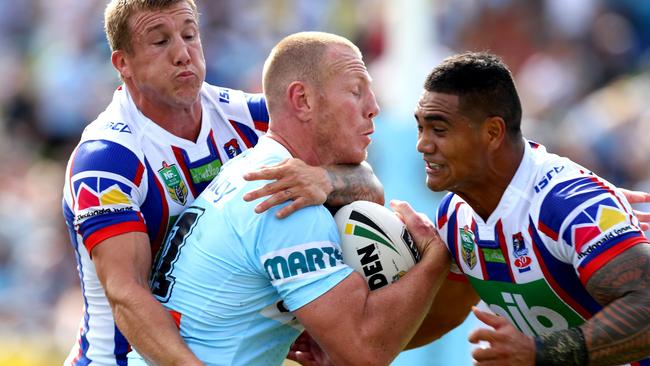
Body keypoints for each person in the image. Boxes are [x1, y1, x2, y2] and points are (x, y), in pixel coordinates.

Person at [61, 1, 382, 365]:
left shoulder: (247, 118)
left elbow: (367, 183)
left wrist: (325, 179)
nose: (183, 53)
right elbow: (126, 293)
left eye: (189, 35)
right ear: (123, 64)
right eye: (160, 41)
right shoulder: (107, 160)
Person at [127, 31, 451, 366]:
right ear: (302, 100)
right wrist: (436, 259)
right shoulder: (285, 198)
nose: (374, 108)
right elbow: (364, 354)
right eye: (356, 91)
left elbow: (369, 188)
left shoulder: (261, 167)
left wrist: (326, 179)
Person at [405, 52, 650, 365]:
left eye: (439, 130)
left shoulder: (568, 202)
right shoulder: (455, 215)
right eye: (420, 128)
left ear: (492, 133)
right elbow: (442, 317)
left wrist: (540, 353)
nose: (423, 145)